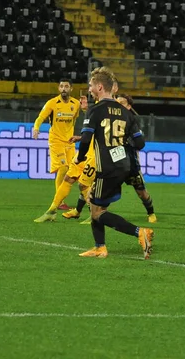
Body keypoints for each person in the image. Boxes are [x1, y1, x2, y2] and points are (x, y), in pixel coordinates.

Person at [75, 67, 153, 259]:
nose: (90, 89)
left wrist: (80, 157)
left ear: (100, 87)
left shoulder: (95, 110)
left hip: (106, 167)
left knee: (96, 212)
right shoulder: (126, 113)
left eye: (92, 85)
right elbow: (140, 143)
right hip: (123, 165)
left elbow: (86, 139)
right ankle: (100, 247)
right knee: (96, 205)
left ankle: (140, 232)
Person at [34, 95, 94, 223]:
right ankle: (52, 210)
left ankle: (94, 215)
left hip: (94, 153)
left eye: (91, 86)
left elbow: (96, 131)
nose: (89, 89)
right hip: (80, 148)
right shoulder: (53, 103)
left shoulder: (101, 107)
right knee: (68, 176)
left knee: (84, 183)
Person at [32, 79, 85, 210]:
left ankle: (87, 198)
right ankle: (59, 201)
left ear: (71, 89)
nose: (63, 89)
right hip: (56, 141)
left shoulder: (76, 104)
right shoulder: (52, 103)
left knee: (74, 170)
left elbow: (76, 119)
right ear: (58, 89)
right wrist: (36, 127)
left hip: (70, 142)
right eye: (61, 86)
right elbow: (41, 117)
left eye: (66, 86)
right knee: (63, 168)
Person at [116, 94, 157, 223]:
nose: (118, 105)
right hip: (114, 160)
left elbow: (140, 143)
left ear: (128, 106)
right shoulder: (109, 119)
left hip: (130, 161)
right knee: (104, 188)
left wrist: (130, 143)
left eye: (121, 103)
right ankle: (94, 213)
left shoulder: (132, 120)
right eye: (116, 102)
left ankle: (151, 213)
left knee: (141, 191)